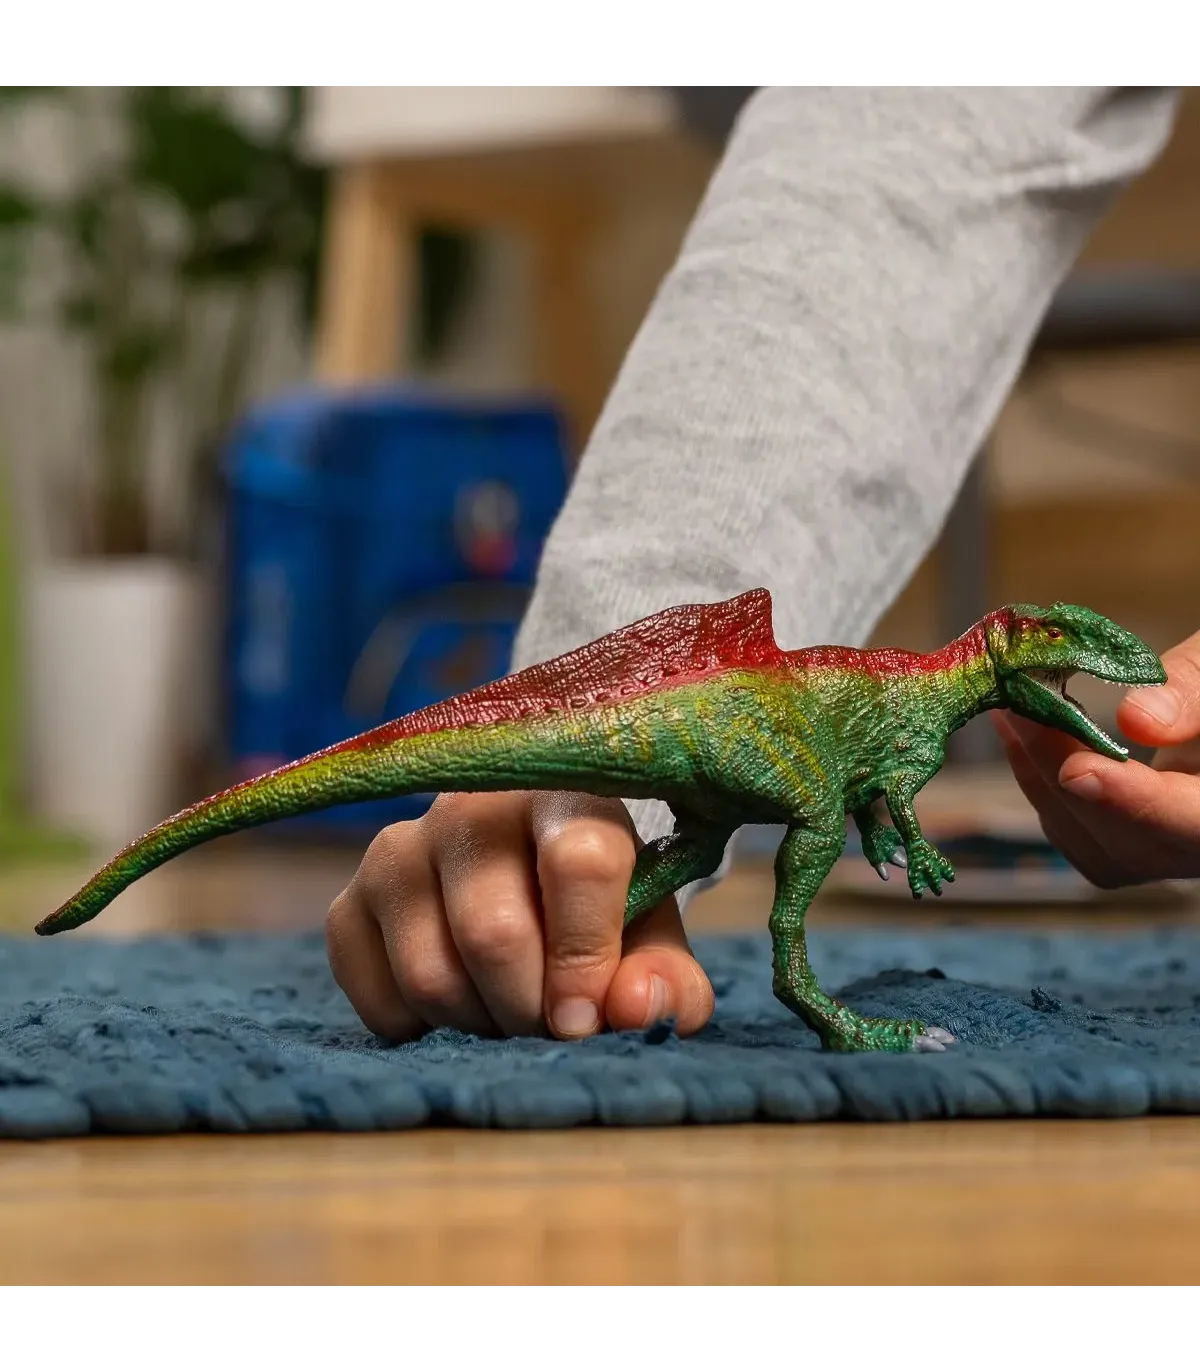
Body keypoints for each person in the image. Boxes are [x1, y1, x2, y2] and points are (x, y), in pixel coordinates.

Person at [325, 80, 1198, 1045]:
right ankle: (797, 989)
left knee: (738, 825)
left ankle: (593, 899)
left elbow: (887, 797)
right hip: (733, 718)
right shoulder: (922, 712)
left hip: (748, 731)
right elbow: (916, 122)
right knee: (810, 809)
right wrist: (570, 808)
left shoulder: (920, 717)